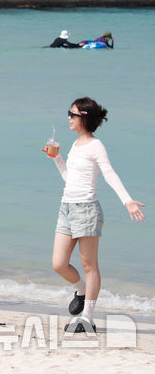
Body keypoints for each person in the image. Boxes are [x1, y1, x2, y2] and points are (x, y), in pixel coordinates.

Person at [46, 97, 145, 333]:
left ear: (85, 118)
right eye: (69, 113)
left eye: (72, 114)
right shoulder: (74, 145)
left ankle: (87, 317)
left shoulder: (96, 146)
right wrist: (56, 159)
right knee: (58, 263)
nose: (68, 118)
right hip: (66, 207)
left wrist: (127, 201)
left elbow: (109, 173)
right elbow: (70, 179)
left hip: (87, 210)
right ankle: (80, 290)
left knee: (89, 265)